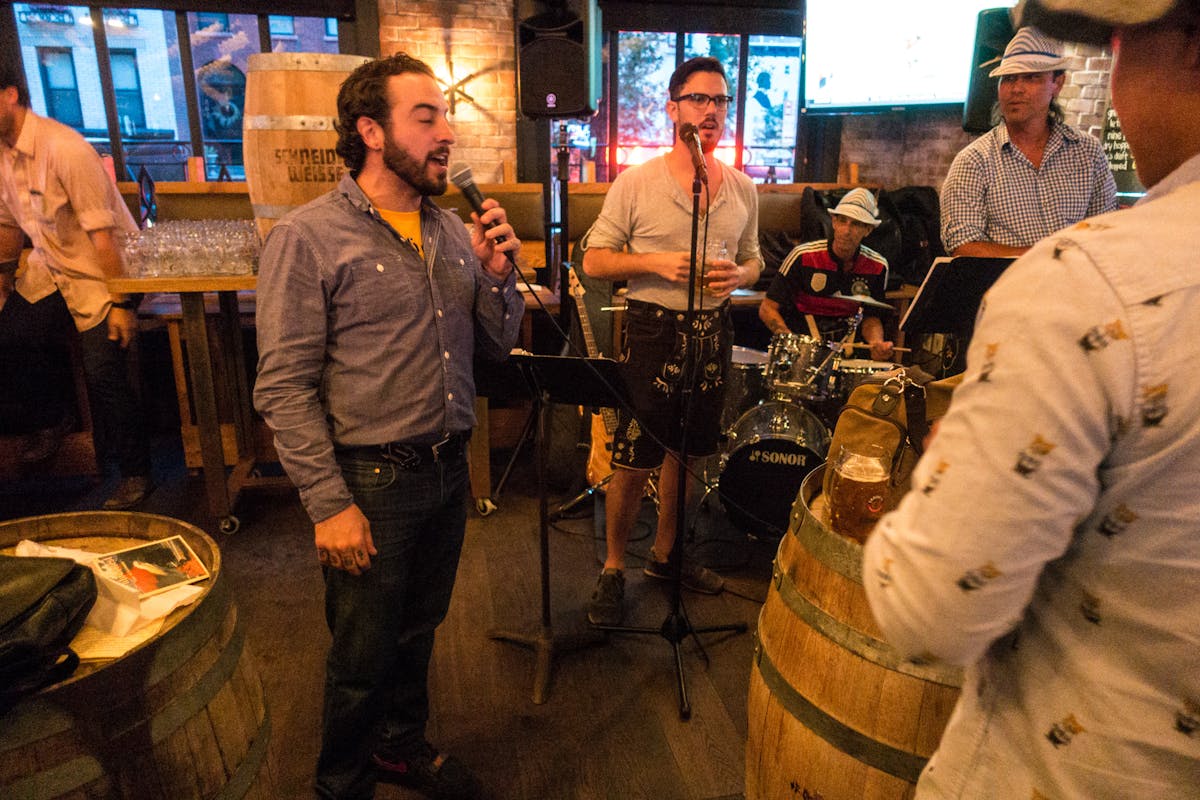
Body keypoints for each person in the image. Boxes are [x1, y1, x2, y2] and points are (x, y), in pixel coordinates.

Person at [864, 1, 1200, 796]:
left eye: (1120, 45)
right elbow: (962, 249)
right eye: (1004, 80)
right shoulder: (977, 167)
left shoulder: (1084, 279)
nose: (1012, 92)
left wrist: (941, 489)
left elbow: (926, 610)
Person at [253, 53, 523, 800]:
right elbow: (282, 385)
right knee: (361, 655)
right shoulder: (308, 237)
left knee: (418, 631)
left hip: (444, 469)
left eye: (446, 116)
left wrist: (499, 280)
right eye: (427, 116)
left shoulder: (447, 230)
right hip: (369, 482)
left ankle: (401, 748)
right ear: (371, 131)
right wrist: (329, 503)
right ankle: (339, 783)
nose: (447, 132)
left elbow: (496, 346)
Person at [581, 56, 763, 626]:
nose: (710, 111)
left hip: (714, 332)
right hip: (652, 331)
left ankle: (666, 556)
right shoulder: (636, 183)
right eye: (699, 100)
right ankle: (614, 566)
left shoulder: (741, 187)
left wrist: (744, 276)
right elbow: (593, 258)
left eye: (720, 102)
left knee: (689, 457)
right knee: (633, 459)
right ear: (673, 109)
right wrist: (657, 262)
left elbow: (755, 256)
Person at [0, 62, 152, 508]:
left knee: (102, 370)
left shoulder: (64, 148)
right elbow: (8, 225)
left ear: (10, 94)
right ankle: (52, 418)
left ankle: (138, 472)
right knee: (8, 335)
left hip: (109, 270)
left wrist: (122, 303)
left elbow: (104, 238)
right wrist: (5, 282)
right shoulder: (4, 156)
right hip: (53, 268)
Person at [940, 26, 1117, 257]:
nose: (1016, 89)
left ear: (1057, 83)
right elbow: (964, 245)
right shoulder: (973, 161)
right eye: (1008, 79)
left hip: (1076, 289)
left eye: (1031, 77)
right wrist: (1047, 257)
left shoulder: (1087, 152)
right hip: (1005, 290)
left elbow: (1104, 232)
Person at [758, 187, 895, 361]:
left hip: (848, 354)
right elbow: (767, 308)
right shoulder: (803, 256)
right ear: (833, 222)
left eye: (856, 224)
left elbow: (871, 316)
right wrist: (791, 342)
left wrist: (877, 342)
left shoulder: (877, 265)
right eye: (842, 221)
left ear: (868, 230)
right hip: (802, 352)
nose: (846, 230)